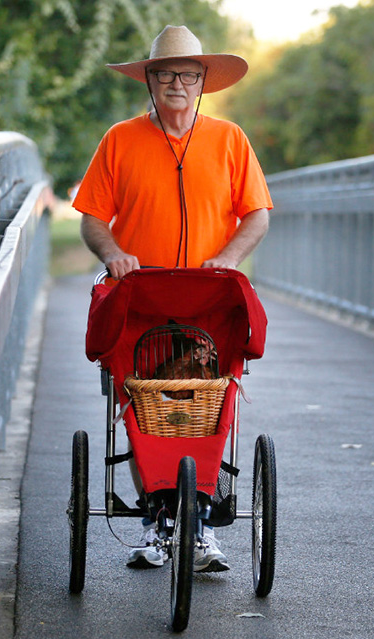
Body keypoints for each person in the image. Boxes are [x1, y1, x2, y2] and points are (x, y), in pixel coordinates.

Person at [73, 25, 273, 571]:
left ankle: (199, 523)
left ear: (203, 81)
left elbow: (257, 213)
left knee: (207, 402)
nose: (176, 83)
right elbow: (92, 217)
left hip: (209, 299)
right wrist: (112, 252)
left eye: (187, 74)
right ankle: (159, 522)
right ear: (149, 80)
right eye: (165, 74)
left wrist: (229, 258)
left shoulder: (230, 139)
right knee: (141, 401)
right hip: (140, 296)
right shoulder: (120, 138)